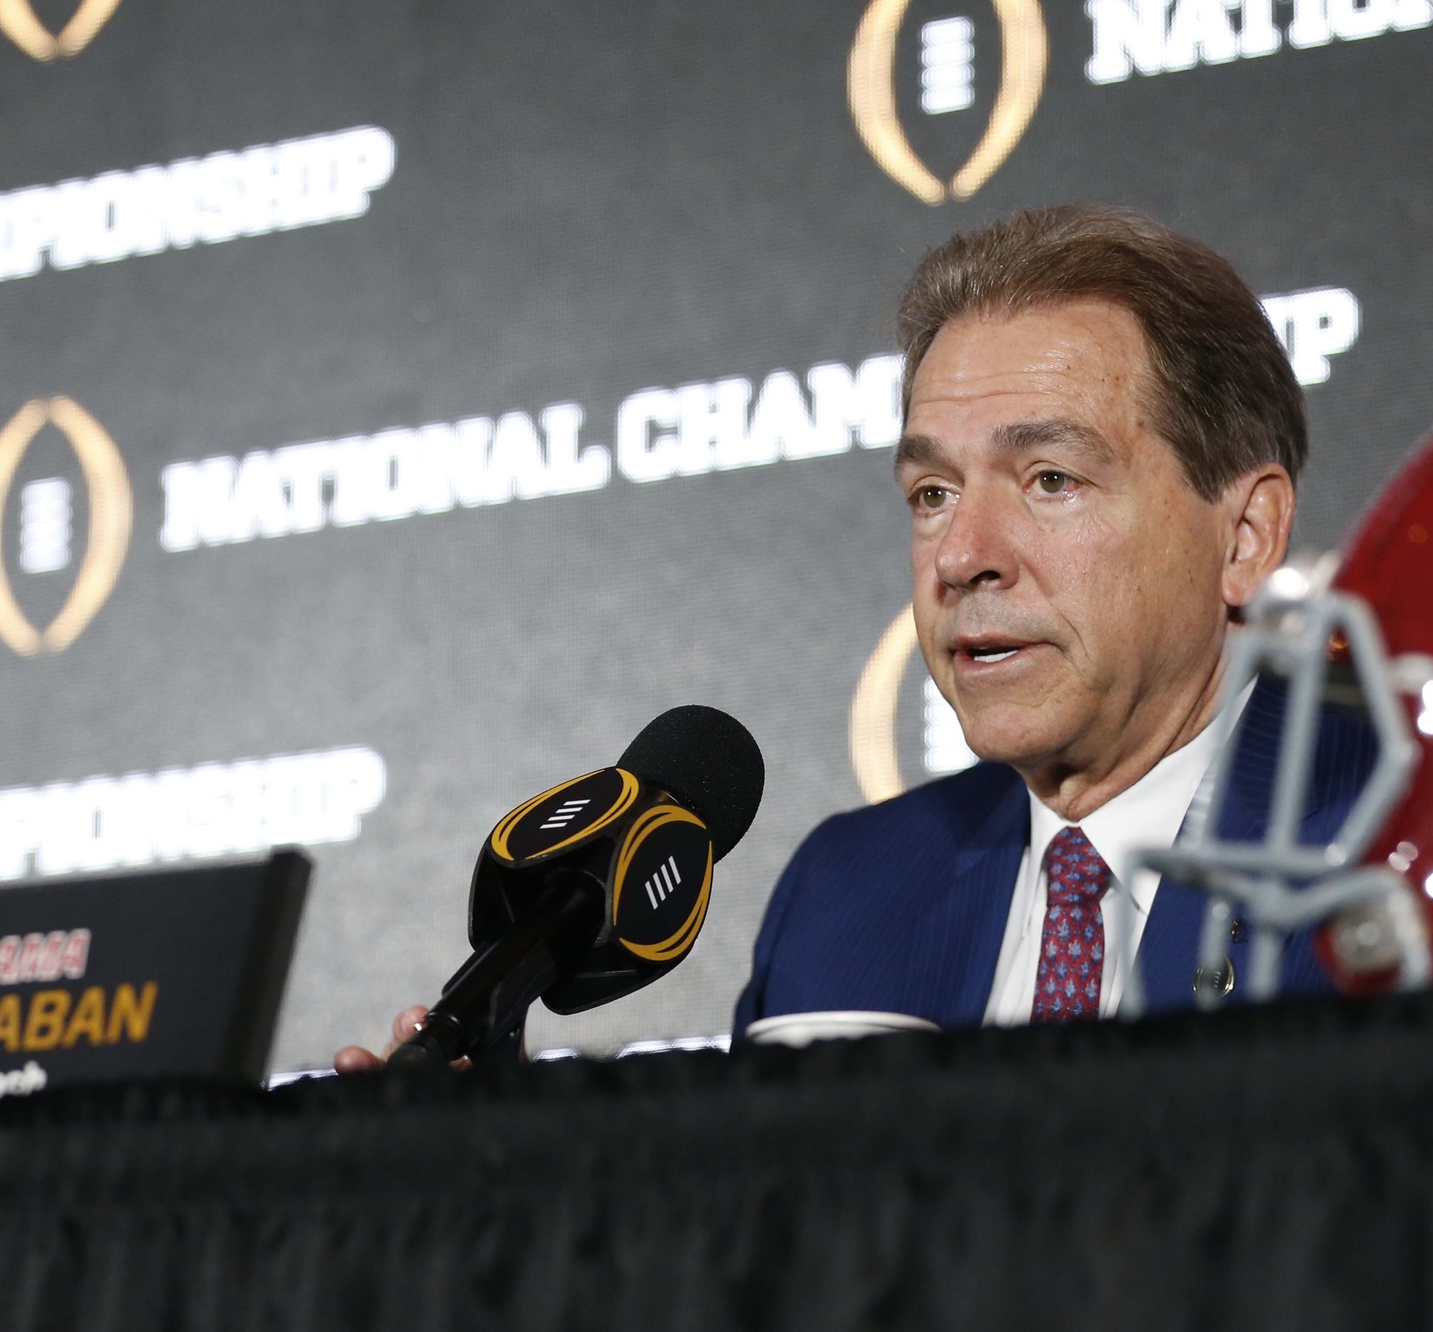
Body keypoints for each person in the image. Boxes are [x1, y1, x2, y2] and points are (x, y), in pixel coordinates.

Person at [338, 205, 1372, 1069]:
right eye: (930, 491)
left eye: (1050, 479)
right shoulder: (850, 889)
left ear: (1243, 535)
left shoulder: (1416, 841)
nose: (962, 553)